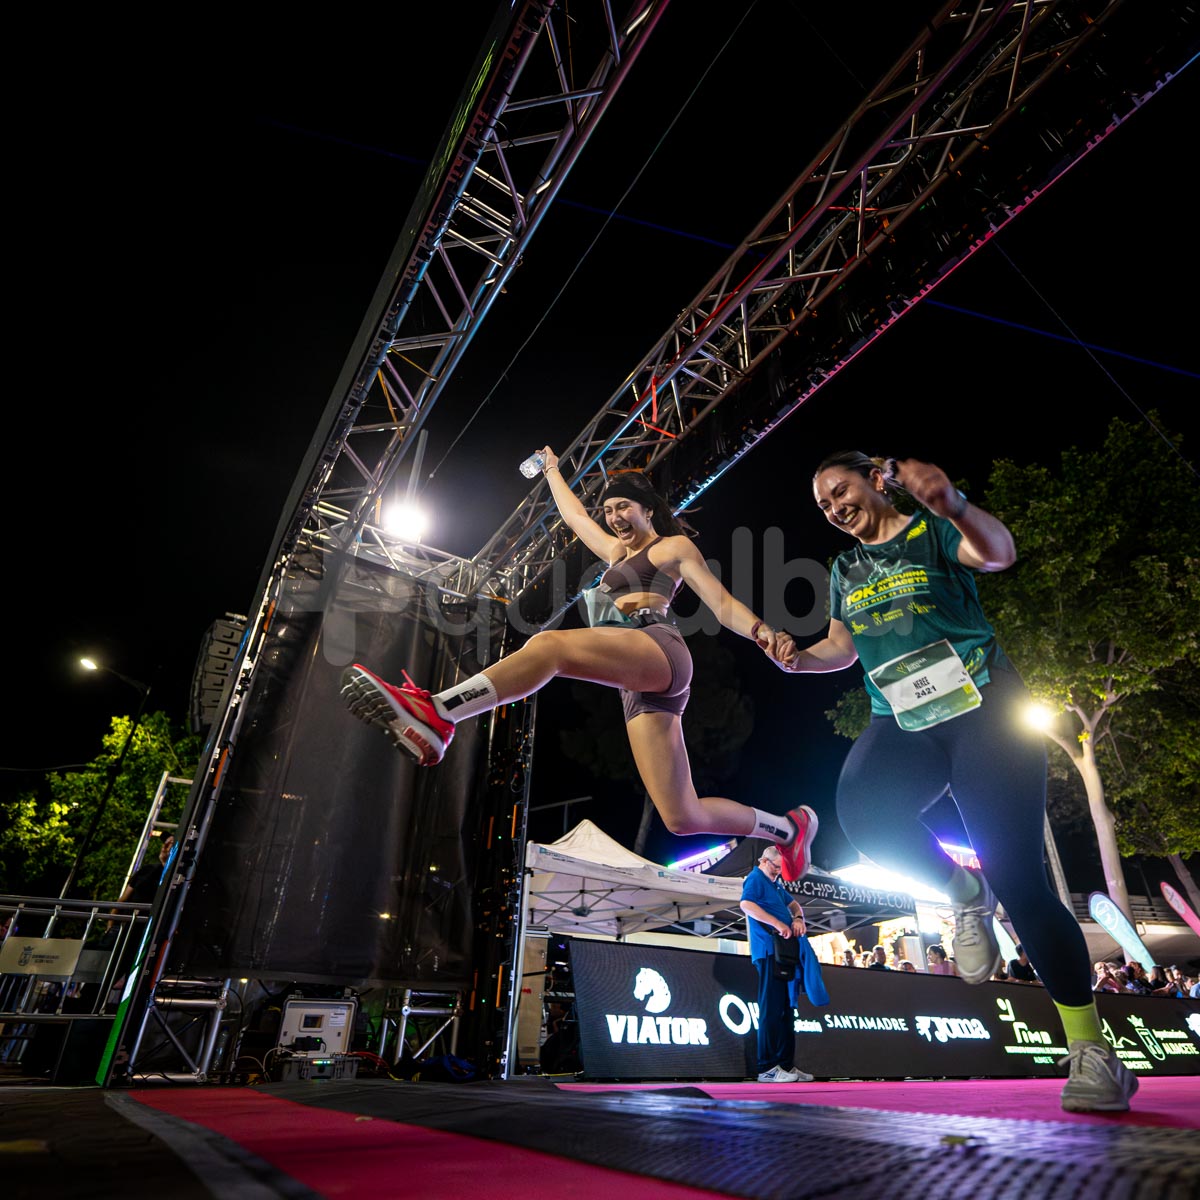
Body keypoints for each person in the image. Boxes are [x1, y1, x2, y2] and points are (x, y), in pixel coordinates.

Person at [766, 451, 1138, 1113]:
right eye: (822, 503)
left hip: (981, 709)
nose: (833, 507)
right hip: (903, 721)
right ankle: (963, 890)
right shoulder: (844, 567)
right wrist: (798, 660)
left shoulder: (931, 530)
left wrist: (954, 505)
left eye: (840, 490)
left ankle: (1091, 1050)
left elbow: (998, 554)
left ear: (876, 480)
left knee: (1022, 879)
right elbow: (842, 648)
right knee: (865, 812)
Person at [341, 450, 819, 876]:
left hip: (658, 648)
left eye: (623, 508)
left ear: (647, 509)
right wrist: (552, 470)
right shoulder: (614, 552)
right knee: (681, 816)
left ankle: (440, 713)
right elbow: (573, 518)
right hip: (636, 686)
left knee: (549, 648)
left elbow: (721, 604)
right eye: (609, 511)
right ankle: (786, 829)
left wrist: (762, 632)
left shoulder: (671, 549)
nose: (614, 518)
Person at [739, 845, 815, 1083]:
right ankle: (767, 1068)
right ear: (764, 861)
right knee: (771, 1009)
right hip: (768, 951)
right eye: (776, 868)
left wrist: (798, 918)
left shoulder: (776, 884)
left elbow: (794, 905)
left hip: (784, 952)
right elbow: (746, 905)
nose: (778, 873)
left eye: (781, 870)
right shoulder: (755, 878)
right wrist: (777, 923)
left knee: (786, 1010)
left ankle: (786, 1065)